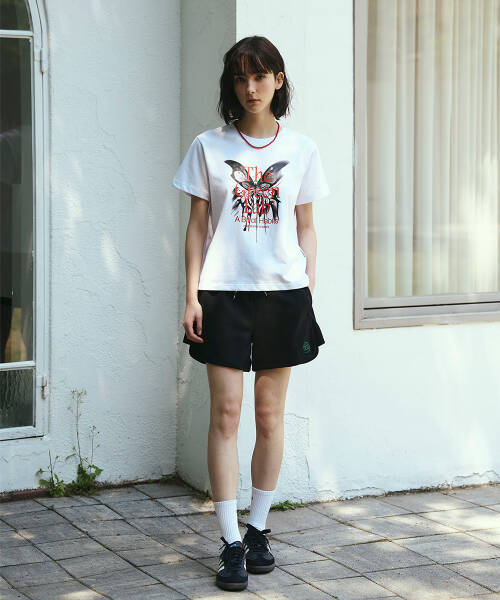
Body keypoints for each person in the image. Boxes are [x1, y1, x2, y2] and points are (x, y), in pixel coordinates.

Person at [172, 35, 330, 592]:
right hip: (222, 293)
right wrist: (191, 295)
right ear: (231, 85)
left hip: (284, 295)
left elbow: (307, 226)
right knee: (226, 414)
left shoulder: (303, 149)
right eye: (241, 77)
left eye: (260, 76)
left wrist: (307, 287)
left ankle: (259, 529)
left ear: (278, 81)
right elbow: (197, 226)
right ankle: (230, 541)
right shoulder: (208, 146)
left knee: (268, 416)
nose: (251, 87)